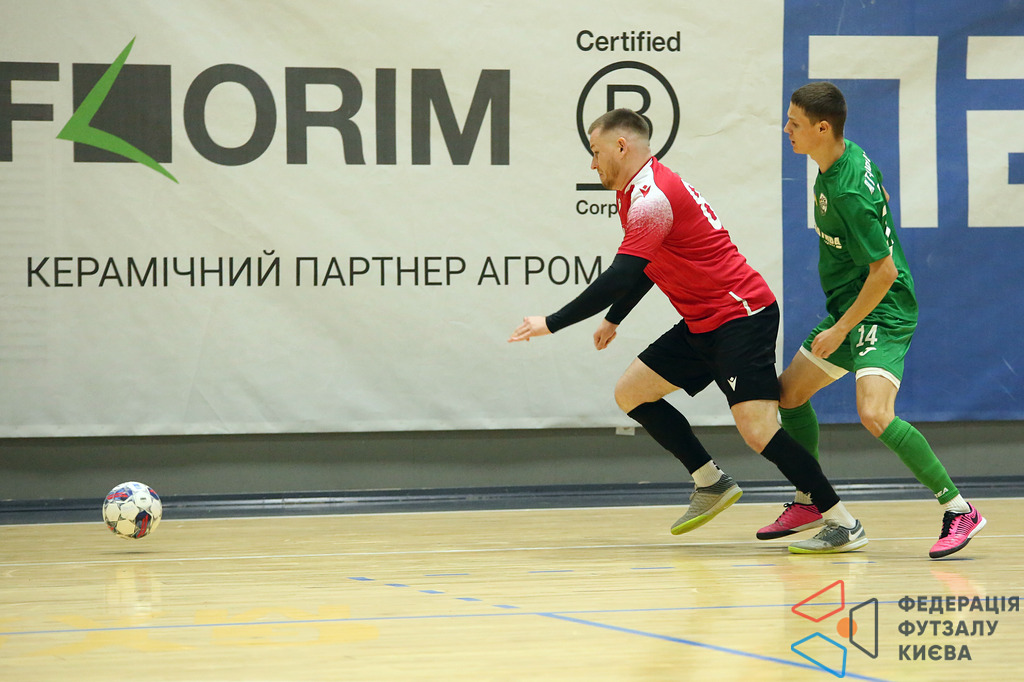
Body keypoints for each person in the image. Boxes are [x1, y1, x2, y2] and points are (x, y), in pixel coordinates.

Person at [509, 108, 865, 554]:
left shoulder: (652, 196)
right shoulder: (634, 192)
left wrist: (552, 322)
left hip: (741, 316)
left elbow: (622, 273)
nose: (592, 163)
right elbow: (647, 265)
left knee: (757, 430)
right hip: (702, 321)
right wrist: (616, 317)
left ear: (621, 146)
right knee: (631, 392)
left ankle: (843, 522)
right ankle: (710, 481)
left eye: (596, 152)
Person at [763, 81, 986, 559]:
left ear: (823, 128)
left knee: (874, 413)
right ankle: (810, 498)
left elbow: (884, 273)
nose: (786, 130)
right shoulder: (844, 158)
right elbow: (879, 191)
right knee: (790, 395)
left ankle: (959, 509)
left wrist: (841, 329)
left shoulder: (846, 191)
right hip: (851, 307)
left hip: (881, 310)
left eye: (795, 123)